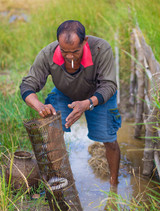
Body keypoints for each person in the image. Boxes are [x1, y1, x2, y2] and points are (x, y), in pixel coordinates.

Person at [20, 20, 121, 185]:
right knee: (53, 132)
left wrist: (87, 103)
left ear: (85, 41)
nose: (69, 56)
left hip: (98, 95)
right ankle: (58, 181)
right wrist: (39, 106)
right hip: (64, 93)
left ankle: (114, 184)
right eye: (64, 51)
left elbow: (109, 85)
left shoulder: (101, 49)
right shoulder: (48, 53)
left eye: (75, 51)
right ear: (58, 44)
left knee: (108, 138)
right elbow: (27, 85)